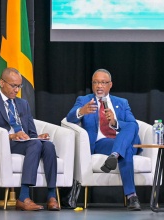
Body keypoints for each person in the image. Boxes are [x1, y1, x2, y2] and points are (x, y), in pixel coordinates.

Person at [0, 67, 60, 211]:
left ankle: (52, 196)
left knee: (48, 146)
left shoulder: (23, 104)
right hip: (4, 143)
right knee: (35, 145)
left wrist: (38, 137)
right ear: (2, 83)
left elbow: (32, 132)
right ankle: (23, 197)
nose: (16, 90)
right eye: (13, 85)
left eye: (19, 86)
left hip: (25, 142)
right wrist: (11, 136)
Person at [66, 69, 142, 211]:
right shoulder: (84, 100)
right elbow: (69, 118)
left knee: (131, 126)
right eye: (96, 82)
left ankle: (115, 155)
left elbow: (134, 125)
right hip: (102, 143)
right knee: (127, 149)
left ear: (110, 84)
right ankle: (132, 196)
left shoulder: (122, 103)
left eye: (103, 82)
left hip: (119, 138)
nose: (99, 86)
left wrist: (115, 122)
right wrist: (82, 111)